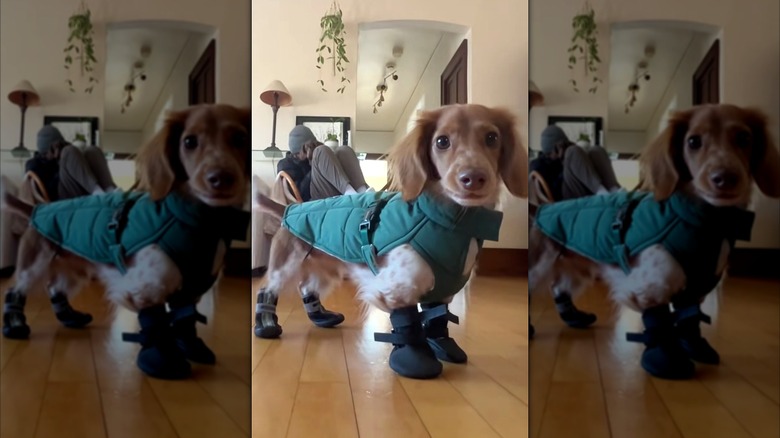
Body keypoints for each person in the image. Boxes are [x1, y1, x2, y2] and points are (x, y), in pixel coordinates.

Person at [277, 125, 371, 201]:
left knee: (344, 150)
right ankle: (351, 195)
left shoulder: (316, 151)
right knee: (320, 151)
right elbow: (300, 195)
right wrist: (311, 162)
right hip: (312, 199)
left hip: (334, 193)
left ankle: (363, 193)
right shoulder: (285, 164)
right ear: (296, 151)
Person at [25, 126, 118, 201]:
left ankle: (110, 190)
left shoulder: (63, 150)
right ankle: (98, 193)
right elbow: (46, 192)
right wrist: (55, 161)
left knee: (92, 150)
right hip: (60, 197)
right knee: (68, 151)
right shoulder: (33, 164)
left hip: (81, 189)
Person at [530, 125, 621, 201]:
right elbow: (552, 191)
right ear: (552, 149)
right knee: (572, 151)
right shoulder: (540, 164)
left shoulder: (568, 151)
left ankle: (614, 190)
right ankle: (602, 193)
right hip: (564, 197)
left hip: (584, 189)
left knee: (596, 150)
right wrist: (562, 161)